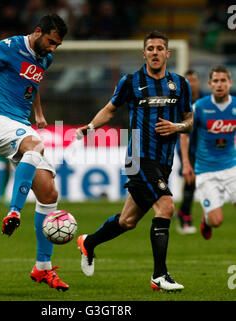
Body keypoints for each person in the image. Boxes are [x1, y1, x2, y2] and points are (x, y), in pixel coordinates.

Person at [76, 31, 193, 292]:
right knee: (166, 206)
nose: (154, 52)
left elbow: (190, 121)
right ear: (144, 53)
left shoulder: (180, 84)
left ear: (167, 54)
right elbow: (110, 109)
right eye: (150, 48)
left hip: (164, 161)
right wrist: (91, 126)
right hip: (138, 157)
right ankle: (159, 276)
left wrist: (177, 127)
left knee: (127, 221)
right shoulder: (131, 81)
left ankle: (89, 243)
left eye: (159, 48)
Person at [0, 14, 69, 291]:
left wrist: (38, 112)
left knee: (49, 194)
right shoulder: (10, 46)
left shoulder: (45, 57)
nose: (53, 49)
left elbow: (32, 83)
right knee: (36, 145)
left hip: (21, 125)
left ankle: (42, 268)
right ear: (38, 32)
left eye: (57, 45)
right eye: (50, 42)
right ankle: (13, 211)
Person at [181, 65, 236, 240]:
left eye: (223, 81)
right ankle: (207, 219)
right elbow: (184, 134)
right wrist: (186, 164)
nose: (220, 84)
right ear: (210, 84)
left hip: (231, 167)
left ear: (230, 82)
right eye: (216, 81)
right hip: (206, 170)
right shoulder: (199, 107)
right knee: (216, 220)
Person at [175, 70, 206, 234]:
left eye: (193, 80)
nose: (191, 83)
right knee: (191, 179)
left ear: (198, 81)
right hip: (185, 145)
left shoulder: (206, 100)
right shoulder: (179, 100)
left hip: (205, 148)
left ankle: (184, 211)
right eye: (187, 80)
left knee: (196, 182)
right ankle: (185, 215)